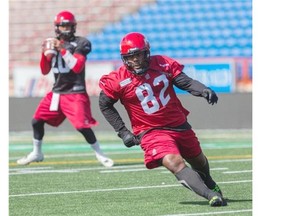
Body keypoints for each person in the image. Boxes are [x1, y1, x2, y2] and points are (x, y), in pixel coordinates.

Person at [98, 32, 227, 206]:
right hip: (150, 131)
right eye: (130, 56)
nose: (135, 59)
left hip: (178, 124)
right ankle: (209, 194)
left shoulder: (163, 64)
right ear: (124, 58)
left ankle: (209, 182)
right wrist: (122, 131)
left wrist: (203, 90)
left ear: (147, 52)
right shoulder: (117, 79)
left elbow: (185, 82)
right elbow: (105, 104)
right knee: (173, 161)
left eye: (138, 54)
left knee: (198, 159)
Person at [17, 10, 114, 168]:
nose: (66, 29)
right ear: (57, 28)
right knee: (36, 121)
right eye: (63, 26)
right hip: (57, 93)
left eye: (69, 26)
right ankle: (37, 152)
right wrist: (44, 54)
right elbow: (44, 71)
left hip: (75, 93)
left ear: (74, 27)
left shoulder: (81, 43)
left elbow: (77, 66)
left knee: (82, 126)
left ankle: (100, 154)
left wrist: (62, 49)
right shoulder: (52, 43)